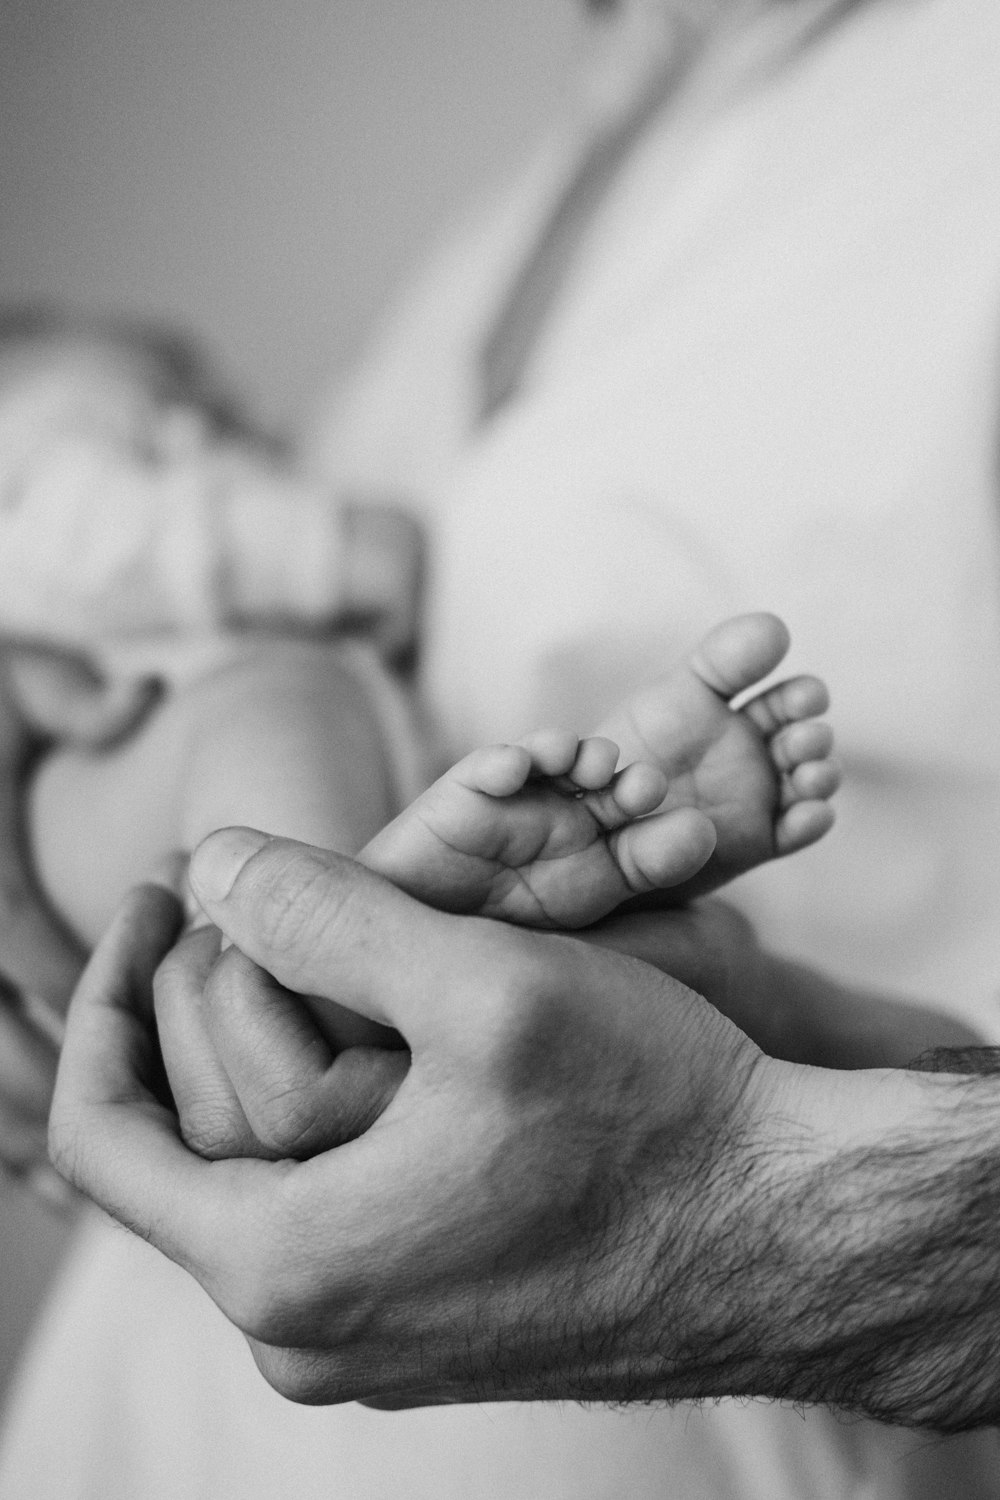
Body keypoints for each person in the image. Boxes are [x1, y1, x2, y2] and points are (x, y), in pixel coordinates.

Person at [5, 0, 1000, 1494]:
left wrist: (769, 1218)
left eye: (204, 409)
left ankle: (375, 937)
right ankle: (383, 931)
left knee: (286, 718)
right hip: (171, 1406)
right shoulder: (544, 185)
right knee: (279, 720)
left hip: (707, 1426)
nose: (218, 427)